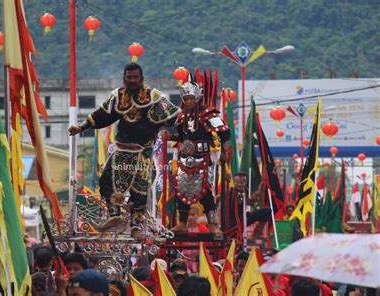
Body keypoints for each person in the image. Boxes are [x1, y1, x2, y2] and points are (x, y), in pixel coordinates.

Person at [68, 63, 180, 240]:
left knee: (140, 191)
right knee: (106, 180)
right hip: (121, 150)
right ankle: (114, 216)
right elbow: (101, 115)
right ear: (124, 78)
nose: (132, 80)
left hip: (143, 152)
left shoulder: (154, 97)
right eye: (129, 77)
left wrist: (182, 133)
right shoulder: (118, 96)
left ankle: (136, 226)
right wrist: (81, 127)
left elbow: (175, 117)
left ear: (141, 79)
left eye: (136, 77)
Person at [169, 81, 230, 238]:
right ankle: (182, 223)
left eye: (191, 98)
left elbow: (225, 133)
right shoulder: (182, 116)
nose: (189, 101)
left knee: (206, 193)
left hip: (202, 160)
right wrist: (170, 137)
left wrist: (223, 151)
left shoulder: (208, 114)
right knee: (181, 190)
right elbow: (182, 137)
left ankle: (212, 225)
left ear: (197, 98)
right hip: (184, 161)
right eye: (186, 98)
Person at [225, 172, 271, 239]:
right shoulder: (230, 191)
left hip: (243, 219)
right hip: (232, 223)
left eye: (242, 182)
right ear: (234, 182)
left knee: (267, 211)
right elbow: (217, 198)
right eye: (237, 182)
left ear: (245, 183)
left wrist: (258, 192)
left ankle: (257, 234)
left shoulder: (245, 191)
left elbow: (249, 202)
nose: (240, 185)